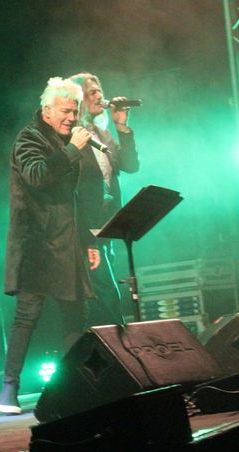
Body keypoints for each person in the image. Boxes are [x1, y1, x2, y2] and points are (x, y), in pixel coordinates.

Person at [0, 77, 94, 415]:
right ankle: (9, 388)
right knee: (28, 315)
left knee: (75, 312)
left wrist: (88, 240)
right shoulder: (29, 138)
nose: (72, 118)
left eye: (75, 112)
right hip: (36, 241)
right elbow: (37, 175)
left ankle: (72, 386)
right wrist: (71, 151)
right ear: (47, 111)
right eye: (67, 111)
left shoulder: (66, 140)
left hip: (67, 238)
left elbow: (75, 197)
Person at [69, 72, 140, 326]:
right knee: (106, 294)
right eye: (91, 92)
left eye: (99, 90)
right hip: (84, 229)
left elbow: (131, 166)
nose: (100, 96)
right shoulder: (71, 137)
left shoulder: (103, 133)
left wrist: (122, 126)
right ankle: (118, 351)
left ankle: (114, 346)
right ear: (77, 100)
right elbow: (73, 190)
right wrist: (88, 239)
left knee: (107, 292)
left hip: (107, 225)